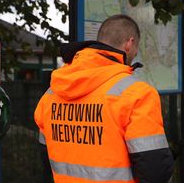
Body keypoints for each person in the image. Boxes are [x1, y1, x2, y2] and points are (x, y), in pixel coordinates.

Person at [34, 14, 174, 183]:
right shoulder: (138, 94)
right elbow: (155, 171)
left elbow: (46, 156)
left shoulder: (51, 93)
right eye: (136, 48)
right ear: (129, 44)